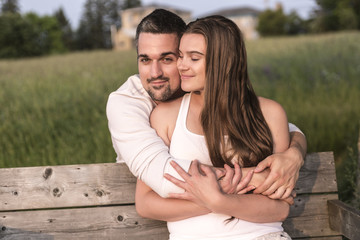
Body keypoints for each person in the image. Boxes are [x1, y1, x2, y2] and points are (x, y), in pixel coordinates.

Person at [106, 9, 306, 199]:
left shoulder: (198, 89)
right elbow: (162, 174)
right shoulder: (125, 104)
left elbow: (275, 125)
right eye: (145, 60)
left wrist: (295, 153)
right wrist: (259, 177)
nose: (155, 73)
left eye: (168, 59)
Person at [136, 15, 293, 240]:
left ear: (224, 61)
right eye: (181, 55)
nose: (181, 65)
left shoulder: (270, 113)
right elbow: (146, 203)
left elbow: (280, 208)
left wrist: (219, 200)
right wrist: (215, 199)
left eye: (194, 57)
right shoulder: (166, 117)